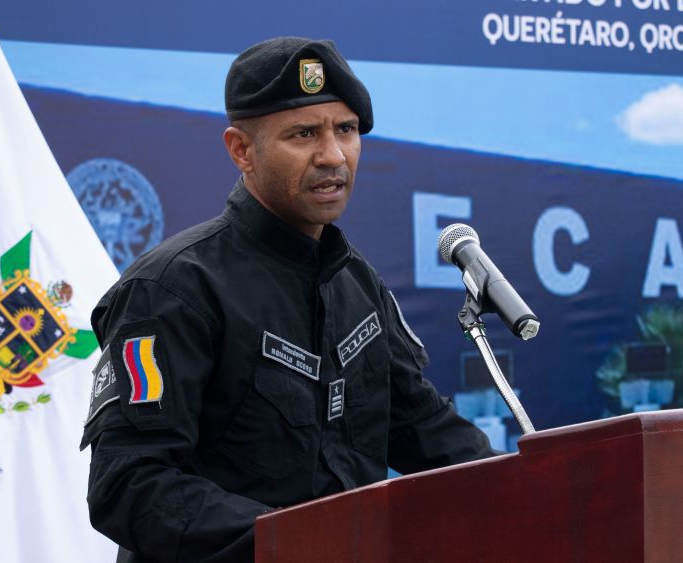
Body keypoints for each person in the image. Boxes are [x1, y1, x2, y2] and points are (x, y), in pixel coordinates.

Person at [79, 36, 497, 563]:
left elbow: (424, 431)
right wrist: (301, 543)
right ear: (241, 150)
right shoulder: (170, 289)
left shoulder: (358, 285)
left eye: (346, 130)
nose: (332, 155)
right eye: (303, 134)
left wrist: (536, 485)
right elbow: (129, 485)